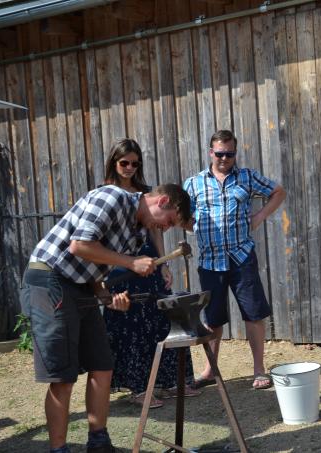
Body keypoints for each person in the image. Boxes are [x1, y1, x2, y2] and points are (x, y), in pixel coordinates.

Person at [20, 147, 192, 453]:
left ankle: (98, 442)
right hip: (50, 278)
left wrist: (108, 296)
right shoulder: (110, 197)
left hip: (82, 284)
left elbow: (95, 266)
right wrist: (130, 263)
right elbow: (79, 246)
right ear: (162, 201)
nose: (164, 228)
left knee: (103, 364)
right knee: (63, 376)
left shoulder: (137, 233)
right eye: (168, 220)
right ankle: (58, 450)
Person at [100, 139, 199, 410]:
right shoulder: (106, 194)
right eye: (124, 162)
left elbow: (155, 229)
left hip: (147, 259)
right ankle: (139, 386)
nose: (130, 167)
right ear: (114, 163)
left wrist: (163, 262)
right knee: (131, 323)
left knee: (161, 316)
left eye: (135, 163)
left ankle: (169, 381)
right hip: (119, 261)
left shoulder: (146, 194)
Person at [183, 129, 287, 390]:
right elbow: (181, 214)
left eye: (229, 154)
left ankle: (259, 370)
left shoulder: (247, 177)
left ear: (235, 153)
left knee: (253, 314)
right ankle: (210, 370)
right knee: (213, 319)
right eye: (220, 154)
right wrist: (191, 225)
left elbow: (278, 192)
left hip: (242, 257)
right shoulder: (193, 183)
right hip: (210, 261)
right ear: (211, 152)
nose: (224, 159)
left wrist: (260, 216)